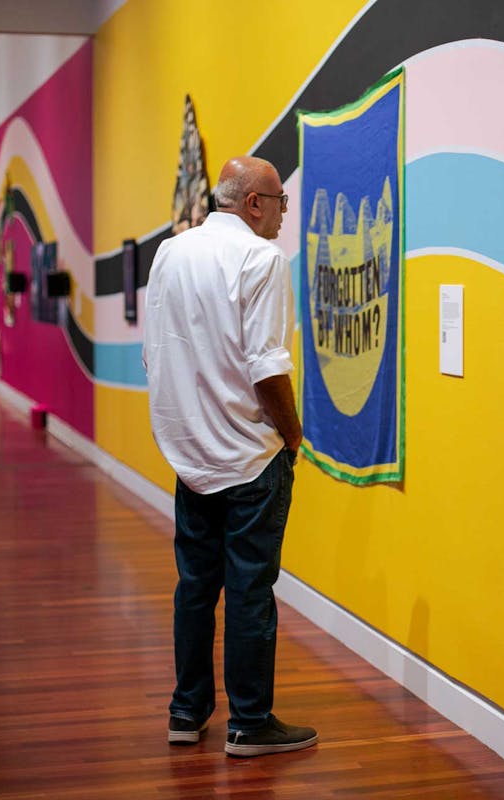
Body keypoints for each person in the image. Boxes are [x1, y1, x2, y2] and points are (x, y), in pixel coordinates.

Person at [143, 156, 317, 757]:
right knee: (249, 590)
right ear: (252, 204)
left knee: (195, 585)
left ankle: (186, 713)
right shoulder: (262, 259)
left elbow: (157, 348)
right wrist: (293, 437)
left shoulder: (171, 253)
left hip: (190, 455)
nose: (281, 216)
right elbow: (268, 367)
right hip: (249, 459)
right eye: (279, 203)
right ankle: (249, 723)